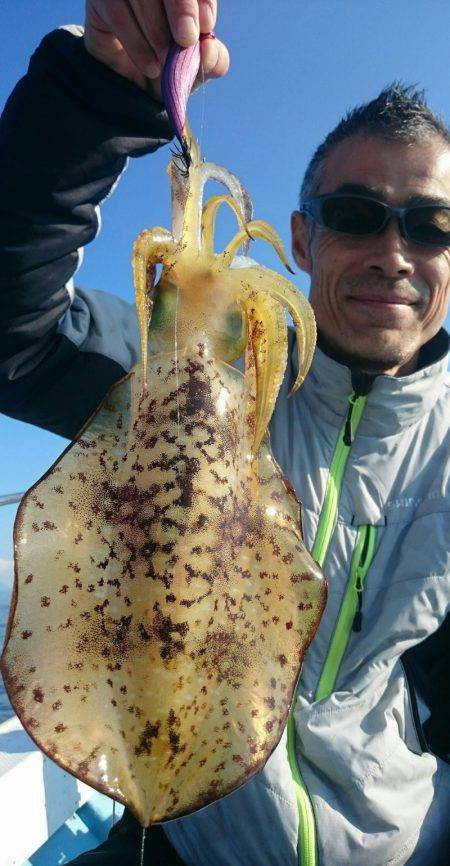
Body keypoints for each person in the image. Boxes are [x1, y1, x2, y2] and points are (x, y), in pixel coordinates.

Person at [0, 2, 449, 864]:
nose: (396, 250)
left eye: (432, 225)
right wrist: (92, 101)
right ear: (303, 240)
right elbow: (13, 331)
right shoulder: (201, 378)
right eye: (359, 213)